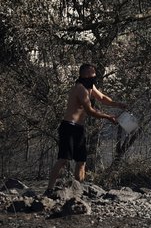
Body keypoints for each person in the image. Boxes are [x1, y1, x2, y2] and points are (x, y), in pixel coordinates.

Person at [45, 63, 127, 195]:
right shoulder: (80, 88)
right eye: (89, 74)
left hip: (79, 128)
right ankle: (49, 189)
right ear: (83, 75)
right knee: (63, 159)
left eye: (93, 74)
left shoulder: (90, 87)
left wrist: (117, 104)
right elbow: (89, 110)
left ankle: (79, 190)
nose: (92, 76)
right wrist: (108, 117)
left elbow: (102, 98)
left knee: (81, 161)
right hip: (69, 126)